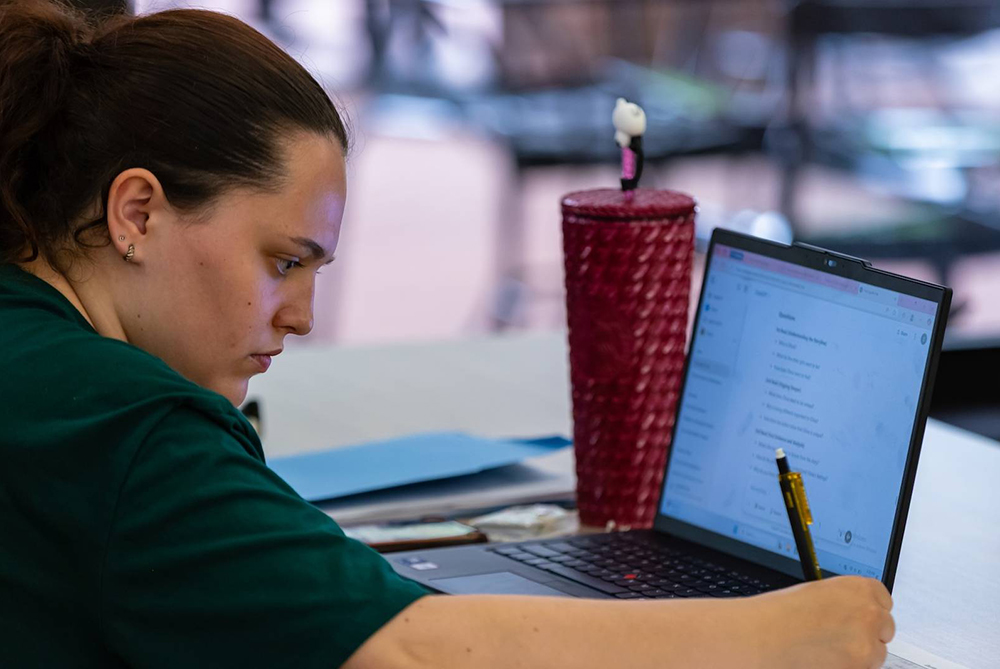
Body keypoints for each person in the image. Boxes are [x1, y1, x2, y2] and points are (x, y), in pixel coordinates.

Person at [0, 2, 895, 667]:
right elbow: (414, 651)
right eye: (283, 261)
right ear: (138, 212)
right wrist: (778, 632)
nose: (303, 316)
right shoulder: (124, 429)